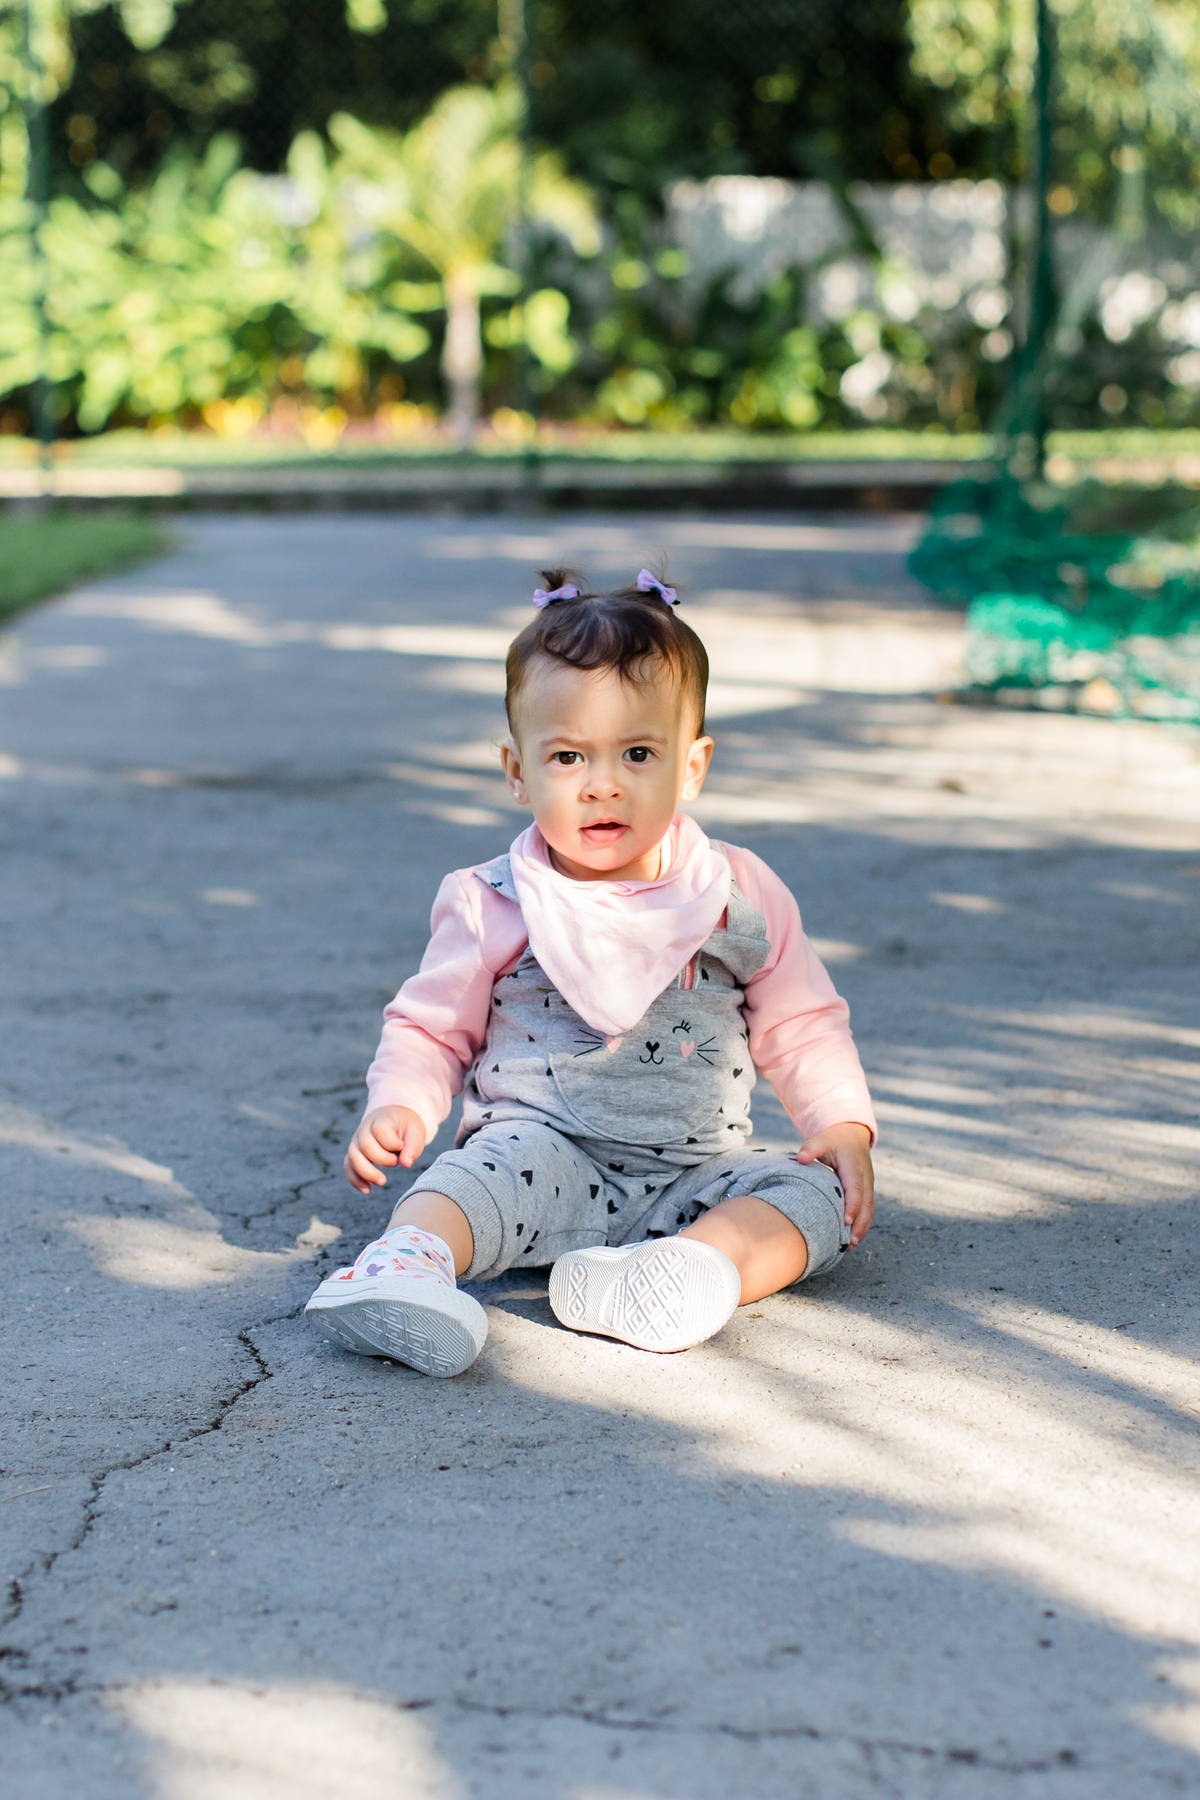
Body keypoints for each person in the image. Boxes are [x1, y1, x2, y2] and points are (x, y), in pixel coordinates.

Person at [305, 568, 876, 1376]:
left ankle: (687, 1270)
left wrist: (842, 1123)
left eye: (638, 753)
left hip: (694, 1173)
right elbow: (432, 1027)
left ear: (692, 766)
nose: (603, 783)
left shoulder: (735, 891)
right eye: (569, 755)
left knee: (814, 1196)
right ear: (517, 771)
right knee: (467, 1180)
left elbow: (803, 1020)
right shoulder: (493, 899)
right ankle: (406, 1265)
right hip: (540, 1152)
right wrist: (400, 1101)